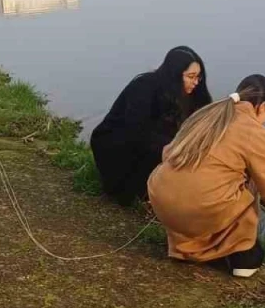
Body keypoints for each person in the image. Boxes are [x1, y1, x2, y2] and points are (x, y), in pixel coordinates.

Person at [148, 74, 265, 277]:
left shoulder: (206, 115)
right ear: (262, 106)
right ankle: (240, 251)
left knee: (212, 180)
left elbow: (168, 153)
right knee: (256, 184)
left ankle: (187, 246)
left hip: (163, 201)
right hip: (198, 208)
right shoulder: (255, 133)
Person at [90, 46, 212, 205]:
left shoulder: (192, 95)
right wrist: (176, 147)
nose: (196, 82)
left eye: (198, 77)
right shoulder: (144, 87)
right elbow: (136, 130)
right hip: (119, 146)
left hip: (155, 145)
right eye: (191, 76)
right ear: (174, 74)